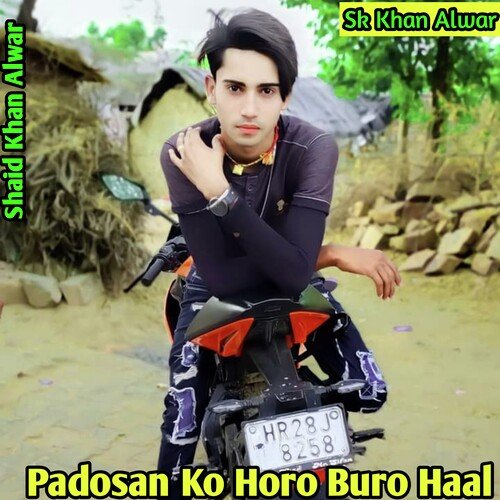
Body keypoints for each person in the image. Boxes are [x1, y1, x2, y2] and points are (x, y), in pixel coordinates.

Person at [158, 8, 400, 496]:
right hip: (217, 286)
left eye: (266, 91)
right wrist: (322, 255)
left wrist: (219, 194)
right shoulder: (183, 153)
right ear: (211, 88)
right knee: (181, 426)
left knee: (369, 390)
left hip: (292, 278)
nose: (250, 108)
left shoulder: (313, 148)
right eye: (235, 88)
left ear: (286, 96)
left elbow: (290, 273)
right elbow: (222, 278)